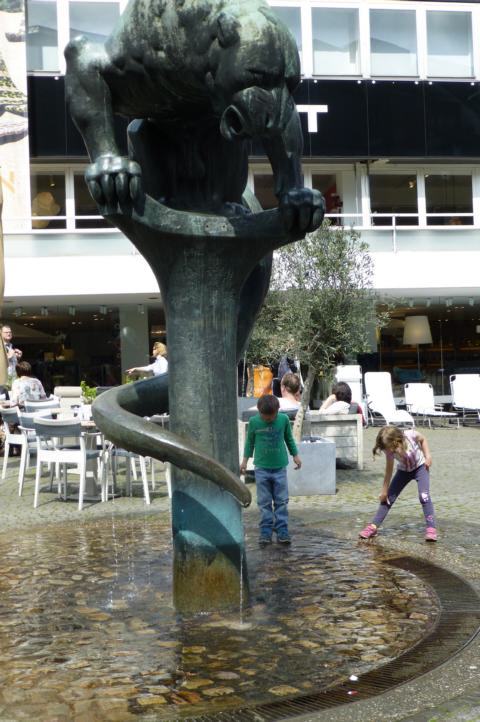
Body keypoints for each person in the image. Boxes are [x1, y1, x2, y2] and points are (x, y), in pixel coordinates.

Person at [240, 394, 301, 546]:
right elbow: (250, 443)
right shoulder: (254, 422)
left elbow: (289, 438)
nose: (268, 420)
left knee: (281, 500)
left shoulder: (283, 420)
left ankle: (282, 530)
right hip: (261, 469)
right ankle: (265, 530)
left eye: (271, 417)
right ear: (259, 411)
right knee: (264, 502)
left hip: (279, 467)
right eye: (265, 417)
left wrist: (295, 455)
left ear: (278, 411)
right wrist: (244, 461)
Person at [359, 425, 437, 543]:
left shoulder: (411, 435)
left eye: (390, 448)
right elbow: (388, 471)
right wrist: (384, 491)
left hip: (421, 468)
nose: (388, 451)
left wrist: (428, 456)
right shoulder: (388, 450)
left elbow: (423, 439)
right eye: (386, 449)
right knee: (388, 498)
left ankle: (431, 528)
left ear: (397, 441)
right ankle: (373, 526)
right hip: (403, 471)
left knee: (424, 496)